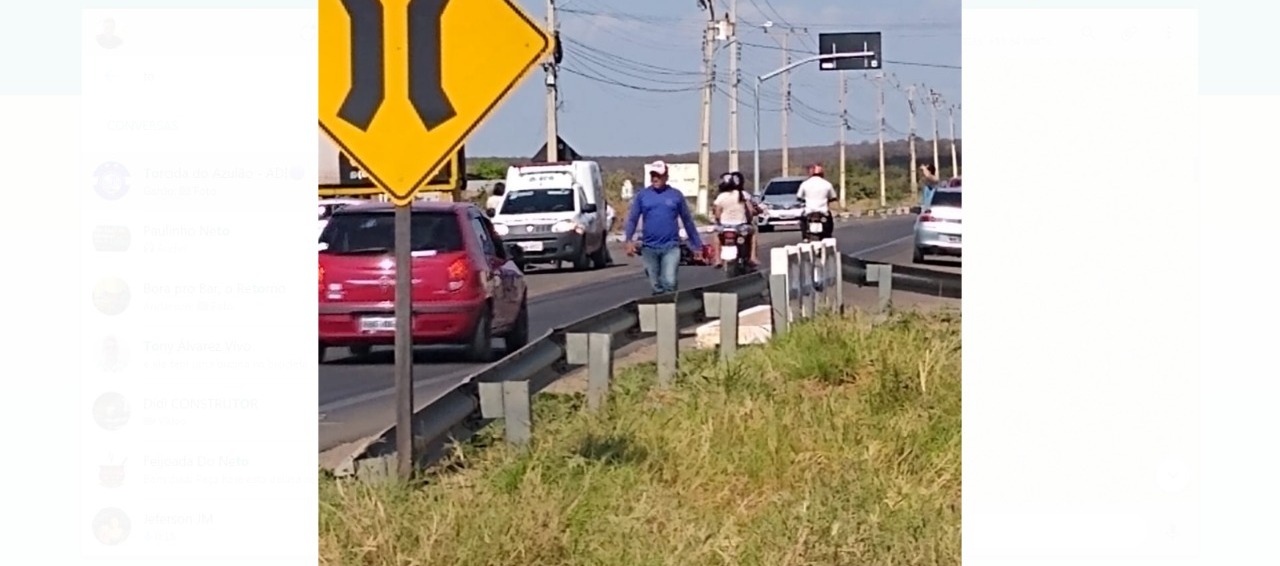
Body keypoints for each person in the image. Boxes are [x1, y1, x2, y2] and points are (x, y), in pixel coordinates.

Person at [623, 161, 704, 295]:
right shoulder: (643, 196)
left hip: (671, 246)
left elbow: (687, 221)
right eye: (653, 175)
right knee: (656, 284)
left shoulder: (675, 195)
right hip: (649, 247)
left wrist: (697, 245)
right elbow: (633, 219)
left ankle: (671, 309)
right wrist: (628, 240)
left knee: (670, 281)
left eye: (659, 175)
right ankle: (660, 310)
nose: (655, 178)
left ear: (666, 176)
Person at [710, 172, 760, 267]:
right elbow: (750, 211)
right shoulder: (742, 194)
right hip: (741, 226)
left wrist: (719, 221)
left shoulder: (721, 197)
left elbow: (717, 214)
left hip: (725, 226)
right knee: (753, 234)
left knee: (717, 235)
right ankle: (753, 257)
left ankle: (717, 259)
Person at [796, 163, 837, 240]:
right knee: (829, 222)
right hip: (823, 211)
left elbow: (799, 196)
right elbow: (833, 196)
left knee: (802, 221)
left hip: (809, 210)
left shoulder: (805, 184)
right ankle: (828, 235)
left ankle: (805, 237)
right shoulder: (827, 184)